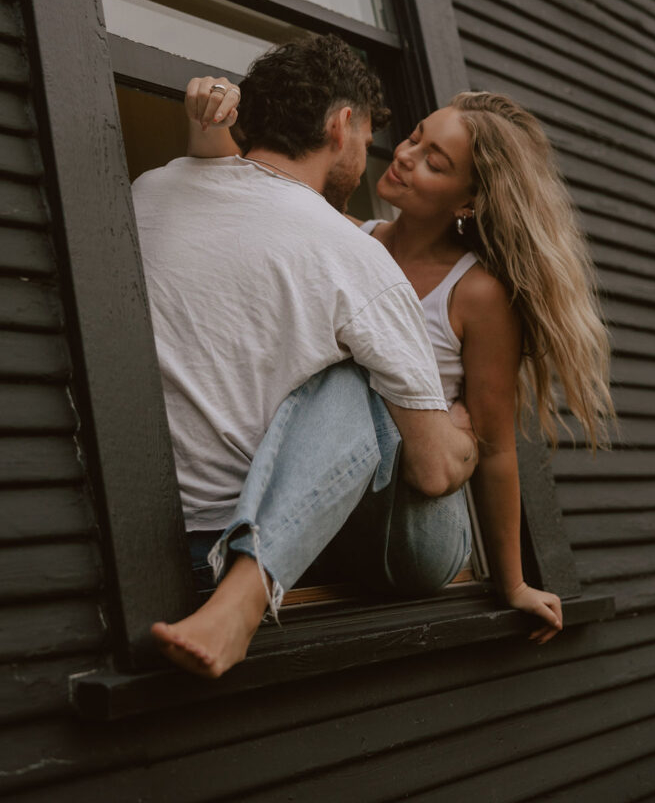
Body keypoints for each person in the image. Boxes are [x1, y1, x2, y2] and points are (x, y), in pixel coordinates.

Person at [192, 68, 615, 652]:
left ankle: (244, 595)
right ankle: (250, 573)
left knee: (350, 376)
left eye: (435, 163)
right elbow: (265, 190)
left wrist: (513, 582)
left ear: (468, 200)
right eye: (416, 137)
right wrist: (215, 123)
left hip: (420, 529)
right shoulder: (347, 237)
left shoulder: (478, 293)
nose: (407, 156)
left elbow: (492, 446)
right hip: (332, 515)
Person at [132, 35, 477, 679]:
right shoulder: (354, 256)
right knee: (356, 374)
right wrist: (466, 436)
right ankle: (244, 598)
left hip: (139, 534)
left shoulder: (147, 192)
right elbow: (434, 472)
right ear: (341, 125)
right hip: (233, 545)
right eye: (370, 137)